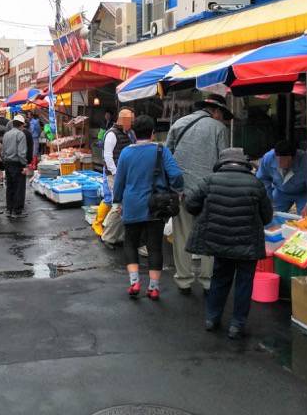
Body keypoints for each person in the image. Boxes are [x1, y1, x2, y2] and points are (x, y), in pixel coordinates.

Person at [186, 148, 273, 339]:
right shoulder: (255, 184)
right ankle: (237, 325)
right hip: (248, 243)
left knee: (219, 278)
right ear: (244, 165)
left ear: (222, 163)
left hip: (219, 241)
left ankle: (211, 318)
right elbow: (267, 216)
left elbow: (190, 203)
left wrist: (207, 213)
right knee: (244, 283)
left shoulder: (209, 181)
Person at [165, 93, 231, 294]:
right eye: (222, 114)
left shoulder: (178, 124)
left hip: (182, 191)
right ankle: (207, 281)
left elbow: (167, 156)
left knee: (182, 235)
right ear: (217, 111)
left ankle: (184, 281)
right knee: (208, 236)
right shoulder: (219, 128)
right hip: (208, 192)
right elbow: (224, 161)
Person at [113, 115, 183, 300]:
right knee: (154, 247)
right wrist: (177, 188)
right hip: (156, 206)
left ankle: (135, 282)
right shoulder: (161, 150)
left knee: (130, 243)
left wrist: (118, 202)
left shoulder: (126, 153)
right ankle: (153, 288)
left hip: (132, 204)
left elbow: (119, 182)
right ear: (153, 133)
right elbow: (176, 175)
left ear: (133, 133)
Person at [101, 108, 137, 246]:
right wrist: (117, 174)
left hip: (125, 175)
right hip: (115, 176)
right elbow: (108, 157)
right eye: (130, 120)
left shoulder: (127, 133)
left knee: (123, 206)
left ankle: (119, 236)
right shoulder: (111, 134)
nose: (132, 123)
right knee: (117, 206)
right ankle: (108, 236)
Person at [256, 140, 307, 214]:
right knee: (271, 214)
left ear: (294, 157)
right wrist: (268, 200)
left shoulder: (305, 160)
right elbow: (263, 179)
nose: (282, 163)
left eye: (286, 160)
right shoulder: (268, 158)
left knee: (306, 217)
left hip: (303, 193)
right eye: (279, 160)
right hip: (281, 192)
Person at [1, 114, 29, 217]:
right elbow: (21, 153)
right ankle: (17, 211)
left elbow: (2, 151)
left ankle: (9, 209)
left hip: (8, 163)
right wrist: (24, 165)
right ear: (21, 125)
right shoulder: (21, 135)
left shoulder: (6, 134)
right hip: (17, 164)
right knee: (19, 188)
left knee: (10, 187)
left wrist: (5, 160)